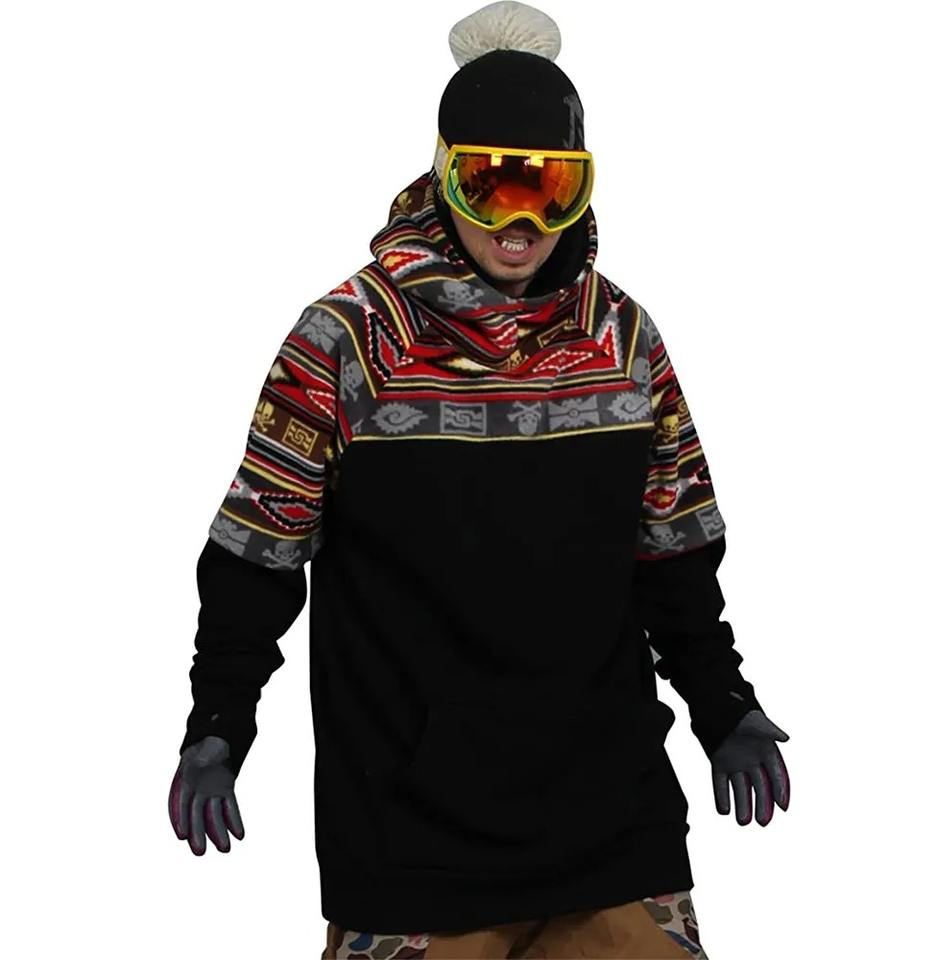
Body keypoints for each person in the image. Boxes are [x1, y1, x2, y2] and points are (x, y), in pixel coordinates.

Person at [168, 3, 791, 957]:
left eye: (549, 187)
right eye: (490, 185)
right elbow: (258, 552)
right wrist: (220, 717)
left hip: (613, 822)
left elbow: (673, 552)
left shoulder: (621, 339)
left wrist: (725, 706)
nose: (521, 222)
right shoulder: (348, 341)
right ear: (443, 174)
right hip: (411, 838)